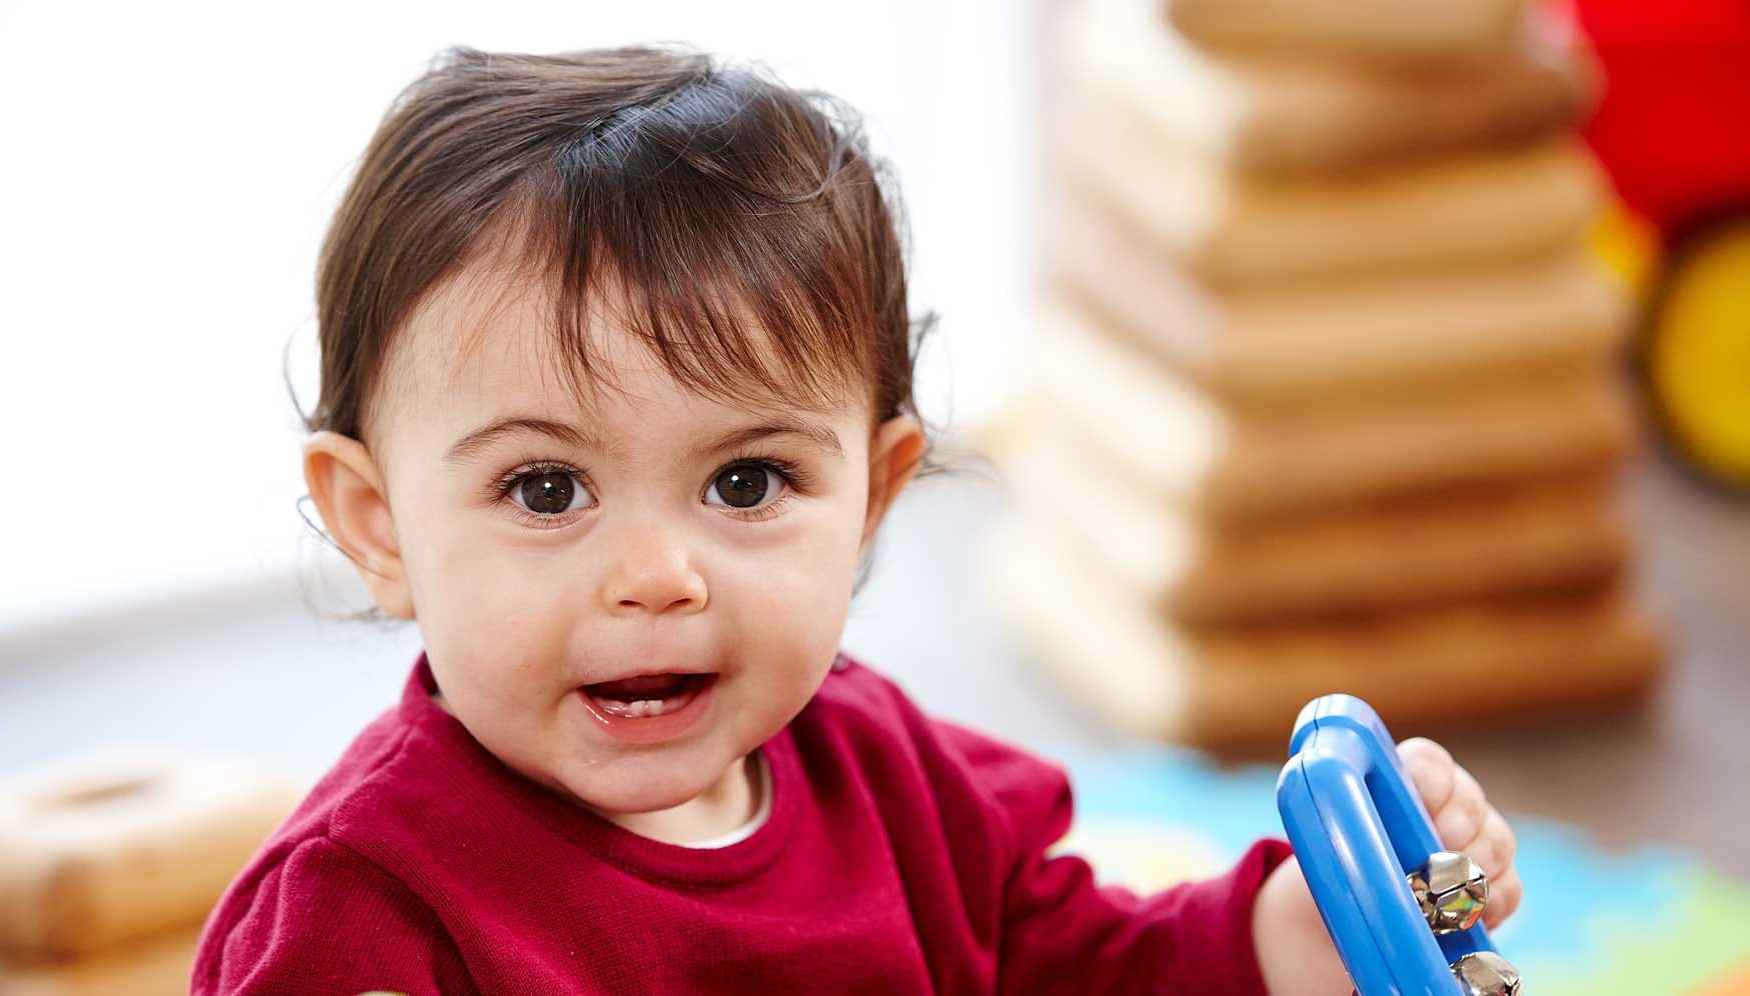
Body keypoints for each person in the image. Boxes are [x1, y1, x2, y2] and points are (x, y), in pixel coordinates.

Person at [191, 43, 1520, 995]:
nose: (657, 577)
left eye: (745, 482)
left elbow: (1084, 968)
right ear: (379, 525)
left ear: (876, 493)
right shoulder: (362, 917)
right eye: (546, 490)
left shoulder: (889, 778)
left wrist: (1297, 934)